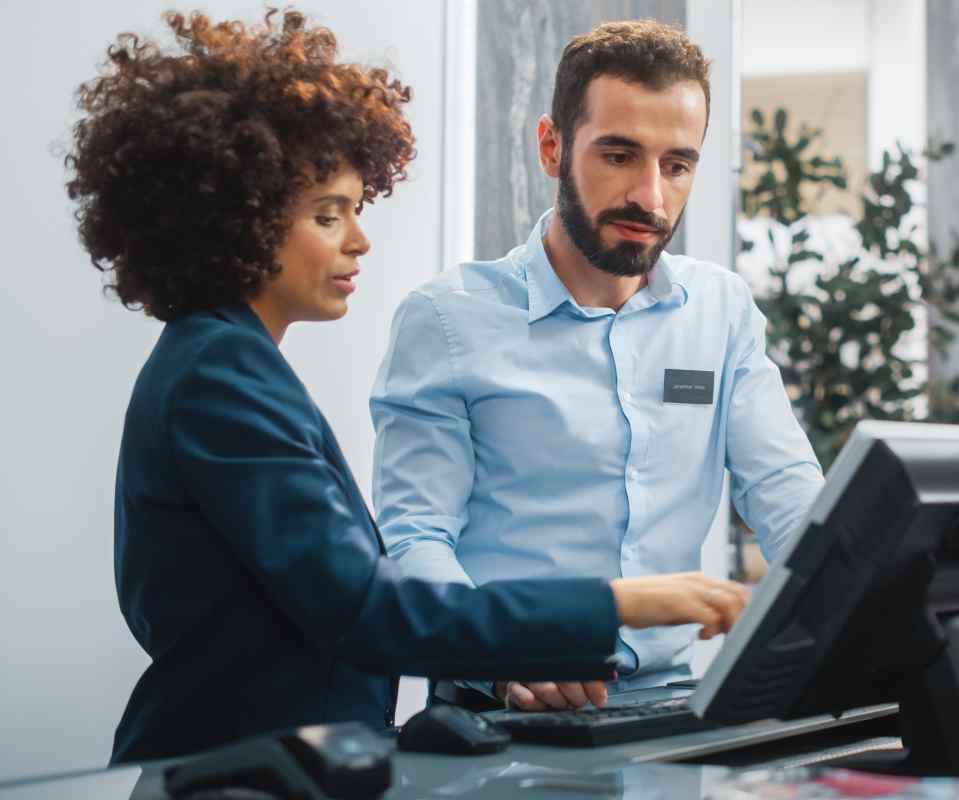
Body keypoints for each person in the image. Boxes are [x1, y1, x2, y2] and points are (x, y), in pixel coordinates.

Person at [66, 10, 747, 764]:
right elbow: (370, 609)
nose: (359, 239)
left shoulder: (229, 363)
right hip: (224, 771)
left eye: (357, 209)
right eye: (329, 215)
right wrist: (621, 603)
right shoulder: (218, 377)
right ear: (239, 220)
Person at [371, 20, 824, 711]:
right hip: (500, 707)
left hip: (676, 704)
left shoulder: (721, 311)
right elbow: (415, 538)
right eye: (619, 156)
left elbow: (789, 494)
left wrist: (866, 590)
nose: (652, 197)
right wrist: (496, 655)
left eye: (677, 165)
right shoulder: (446, 320)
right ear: (552, 147)